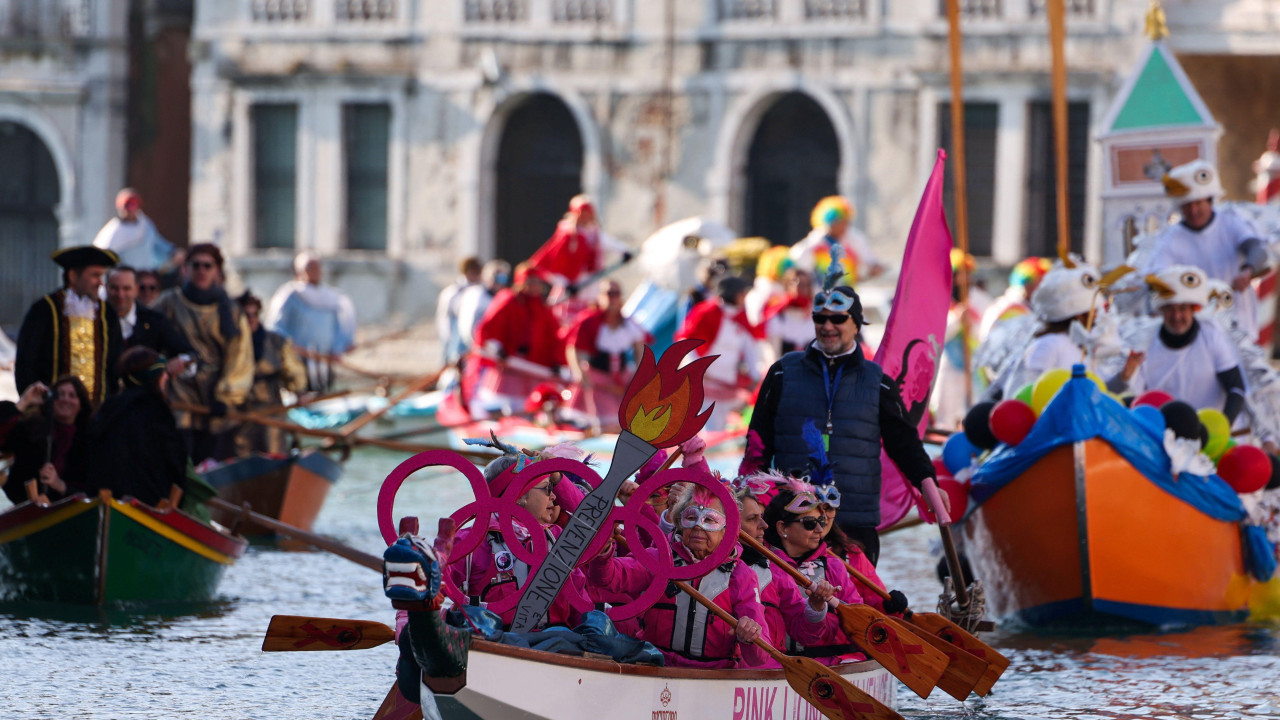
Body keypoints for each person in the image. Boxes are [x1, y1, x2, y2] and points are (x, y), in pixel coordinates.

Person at [746, 282, 938, 565]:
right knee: (789, 604)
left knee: (855, 605)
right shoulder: (783, 371)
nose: (827, 326)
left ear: (856, 324)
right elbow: (757, 442)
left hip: (854, 520)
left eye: (837, 318)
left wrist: (929, 486)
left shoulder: (878, 382)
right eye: (819, 318)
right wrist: (750, 502)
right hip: (791, 519)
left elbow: (905, 444)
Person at [585, 483, 770, 668]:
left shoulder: (741, 575)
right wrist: (603, 550)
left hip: (713, 678)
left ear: (727, 530)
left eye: (710, 520)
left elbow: (759, 658)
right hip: (655, 666)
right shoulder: (660, 558)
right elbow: (608, 578)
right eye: (691, 517)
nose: (698, 526)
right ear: (680, 522)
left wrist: (750, 636)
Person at [450, 450, 595, 630]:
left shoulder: (557, 538)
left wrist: (558, 477)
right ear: (520, 496)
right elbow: (432, 586)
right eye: (547, 488)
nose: (554, 496)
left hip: (557, 644)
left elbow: (596, 524)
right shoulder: (472, 541)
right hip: (493, 643)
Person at [1144, 159, 1270, 341]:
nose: (1193, 210)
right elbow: (1157, 282)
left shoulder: (1230, 222)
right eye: (1187, 205)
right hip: (1197, 329)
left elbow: (1257, 249)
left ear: (1209, 201)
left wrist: (1247, 270)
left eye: (1198, 203)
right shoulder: (1169, 240)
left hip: (1238, 321)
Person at [152, 243, 253, 463]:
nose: (202, 271)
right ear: (185, 269)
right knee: (180, 453)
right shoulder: (168, 303)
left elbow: (240, 358)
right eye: (196, 265)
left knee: (214, 459)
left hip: (215, 393)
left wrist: (226, 396)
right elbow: (150, 343)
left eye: (208, 266)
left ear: (216, 271)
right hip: (178, 390)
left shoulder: (232, 312)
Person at [1109, 265, 1247, 423]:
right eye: (1170, 309)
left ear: (1193, 309)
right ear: (1161, 310)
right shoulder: (1145, 340)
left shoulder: (1213, 335)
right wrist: (1124, 378)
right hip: (1160, 435)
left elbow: (1236, 388)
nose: (1176, 316)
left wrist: (1223, 426)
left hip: (1208, 436)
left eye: (1182, 309)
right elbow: (1133, 397)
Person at [733, 472, 837, 661]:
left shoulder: (777, 571)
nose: (764, 525)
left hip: (773, 668)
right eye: (752, 519)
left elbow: (804, 633)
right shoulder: (690, 565)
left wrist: (815, 606)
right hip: (716, 669)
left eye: (820, 522)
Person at [16, 245, 123, 407]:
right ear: (73, 276)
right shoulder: (44, 310)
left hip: (97, 416)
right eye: (95, 275)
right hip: (51, 416)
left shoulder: (107, 314)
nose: (100, 283)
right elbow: (26, 363)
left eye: (102, 276)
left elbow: (115, 364)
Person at [84, 347, 190, 507]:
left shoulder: (106, 410)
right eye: (164, 376)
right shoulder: (158, 412)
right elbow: (174, 464)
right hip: (148, 503)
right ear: (157, 378)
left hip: (102, 500)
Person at [467, 263, 564, 416]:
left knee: (529, 409)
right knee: (504, 406)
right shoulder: (508, 300)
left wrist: (557, 362)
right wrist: (497, 348)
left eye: (537, 282)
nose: (534, 286)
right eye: (530, 281)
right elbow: (488, 329)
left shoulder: (543, 308)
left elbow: (554, 337)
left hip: (532, 370)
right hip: (509, 368)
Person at [995, 262, 1101, 399]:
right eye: (1094, 312)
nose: (1098, 317)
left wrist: (1124, 376)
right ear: (1079, 315)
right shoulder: (1048, 344)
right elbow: (1026, 392)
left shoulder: (1080, 346)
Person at [675, 276, 764, 432]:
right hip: (704, 383)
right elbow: (686, 342)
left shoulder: (741, 317)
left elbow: (751, 349)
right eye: (743, 292)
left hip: (727, 384)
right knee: (707, 427)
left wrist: (755, 377)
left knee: (727, 427)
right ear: (734, 294)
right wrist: (695, 369)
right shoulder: (706, 312)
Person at [561, 280, 652, 425]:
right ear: (600, 296)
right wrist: (580, 374)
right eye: (609, 294)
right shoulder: (589, 321)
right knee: (592, 421)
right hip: (596, 380)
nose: (612, 298)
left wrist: (638, 374)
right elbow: (573, 349)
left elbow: (640, 350)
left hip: (619, 382)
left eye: (616, 294)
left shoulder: (629, 324)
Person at [264, 252, 357, 392]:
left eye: (316, 267)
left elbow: (340, 326)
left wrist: (340, 347)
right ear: (299, 270)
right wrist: (289, 345)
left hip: (324, 359)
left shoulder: (330, 297)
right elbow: (275, 326)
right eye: (309, 267)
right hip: (298, 360)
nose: (313, 271)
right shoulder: (290, 295)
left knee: (324, 391)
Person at [0, 376, 91, 505]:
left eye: (72, 395)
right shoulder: (30, 429)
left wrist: (60, 485)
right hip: (23, 508)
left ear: (81, 404)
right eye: (59, 394)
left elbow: (92, 489)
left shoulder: (89, 440)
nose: (65, 399)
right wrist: (25, 401)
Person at [236, 292, 307, 455]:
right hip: (242, 414)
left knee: (273, 452)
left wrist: (299, 392)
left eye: (255, 315)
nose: (251, 319)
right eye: (247, 315)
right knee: (243, 453)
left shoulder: (276, 342)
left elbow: (294, 374)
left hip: (271, 411)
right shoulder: (230, 344)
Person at [527, 194, 629, 291]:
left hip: (592, 283)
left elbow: (609, 242)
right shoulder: (568, 235)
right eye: (582, 214)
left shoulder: (595, 232)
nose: (585, 217)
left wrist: (624, 251)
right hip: (572, 285)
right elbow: (554, 262)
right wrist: (565, 284)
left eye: (587, 213)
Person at [105, 266, 194, 374]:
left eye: (126, 288)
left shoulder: (154, 320)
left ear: (136, 290)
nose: (120, 294)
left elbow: (189, 353)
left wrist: (180, 362)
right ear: (106, 288)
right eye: (114, 288)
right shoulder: (95, 319)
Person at [789, 196, 885, 287]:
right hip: (822, 296)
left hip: (848, 296)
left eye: (846, 221)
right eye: (840, 221)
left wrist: (875, 268)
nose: (845, 225)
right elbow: (797, 260)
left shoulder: (854, 238)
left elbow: (870, 260)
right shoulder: (816, 241)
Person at [91, 188, 174, 271]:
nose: (130, 210)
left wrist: (173, 251)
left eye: (133, 204)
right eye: (126, 205)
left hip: (146, 275)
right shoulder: (112, 232)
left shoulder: (145, 224)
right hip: (125, 279)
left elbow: (157, 242)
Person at [436, 257, 483, 366]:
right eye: (473, 272)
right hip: (454, 337)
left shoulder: (481, 292)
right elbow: (445, 318)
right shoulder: (453, 292)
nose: (475, 275)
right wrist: (447, 339)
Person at [763, 268, 816, 356]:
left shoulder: (816, 315)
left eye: (804, 284)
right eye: (794, 282)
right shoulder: (778, 315)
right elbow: (772, 354)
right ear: (787, 285)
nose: (799, 287)